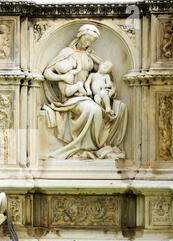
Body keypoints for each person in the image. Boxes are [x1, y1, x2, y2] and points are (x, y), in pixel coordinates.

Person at [42, 24, 127, 159]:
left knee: (119, 107)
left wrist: (108, 87)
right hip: (71, 95)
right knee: (94, 110)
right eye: (87, 39)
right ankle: (91, 147)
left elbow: (103, 70)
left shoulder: (90, 55)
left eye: (91, 41)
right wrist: (61, 77)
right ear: (80, 36)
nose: (88, 43)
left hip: (86, 94)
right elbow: (47, 72)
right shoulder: (67, 52)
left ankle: (95, 145)